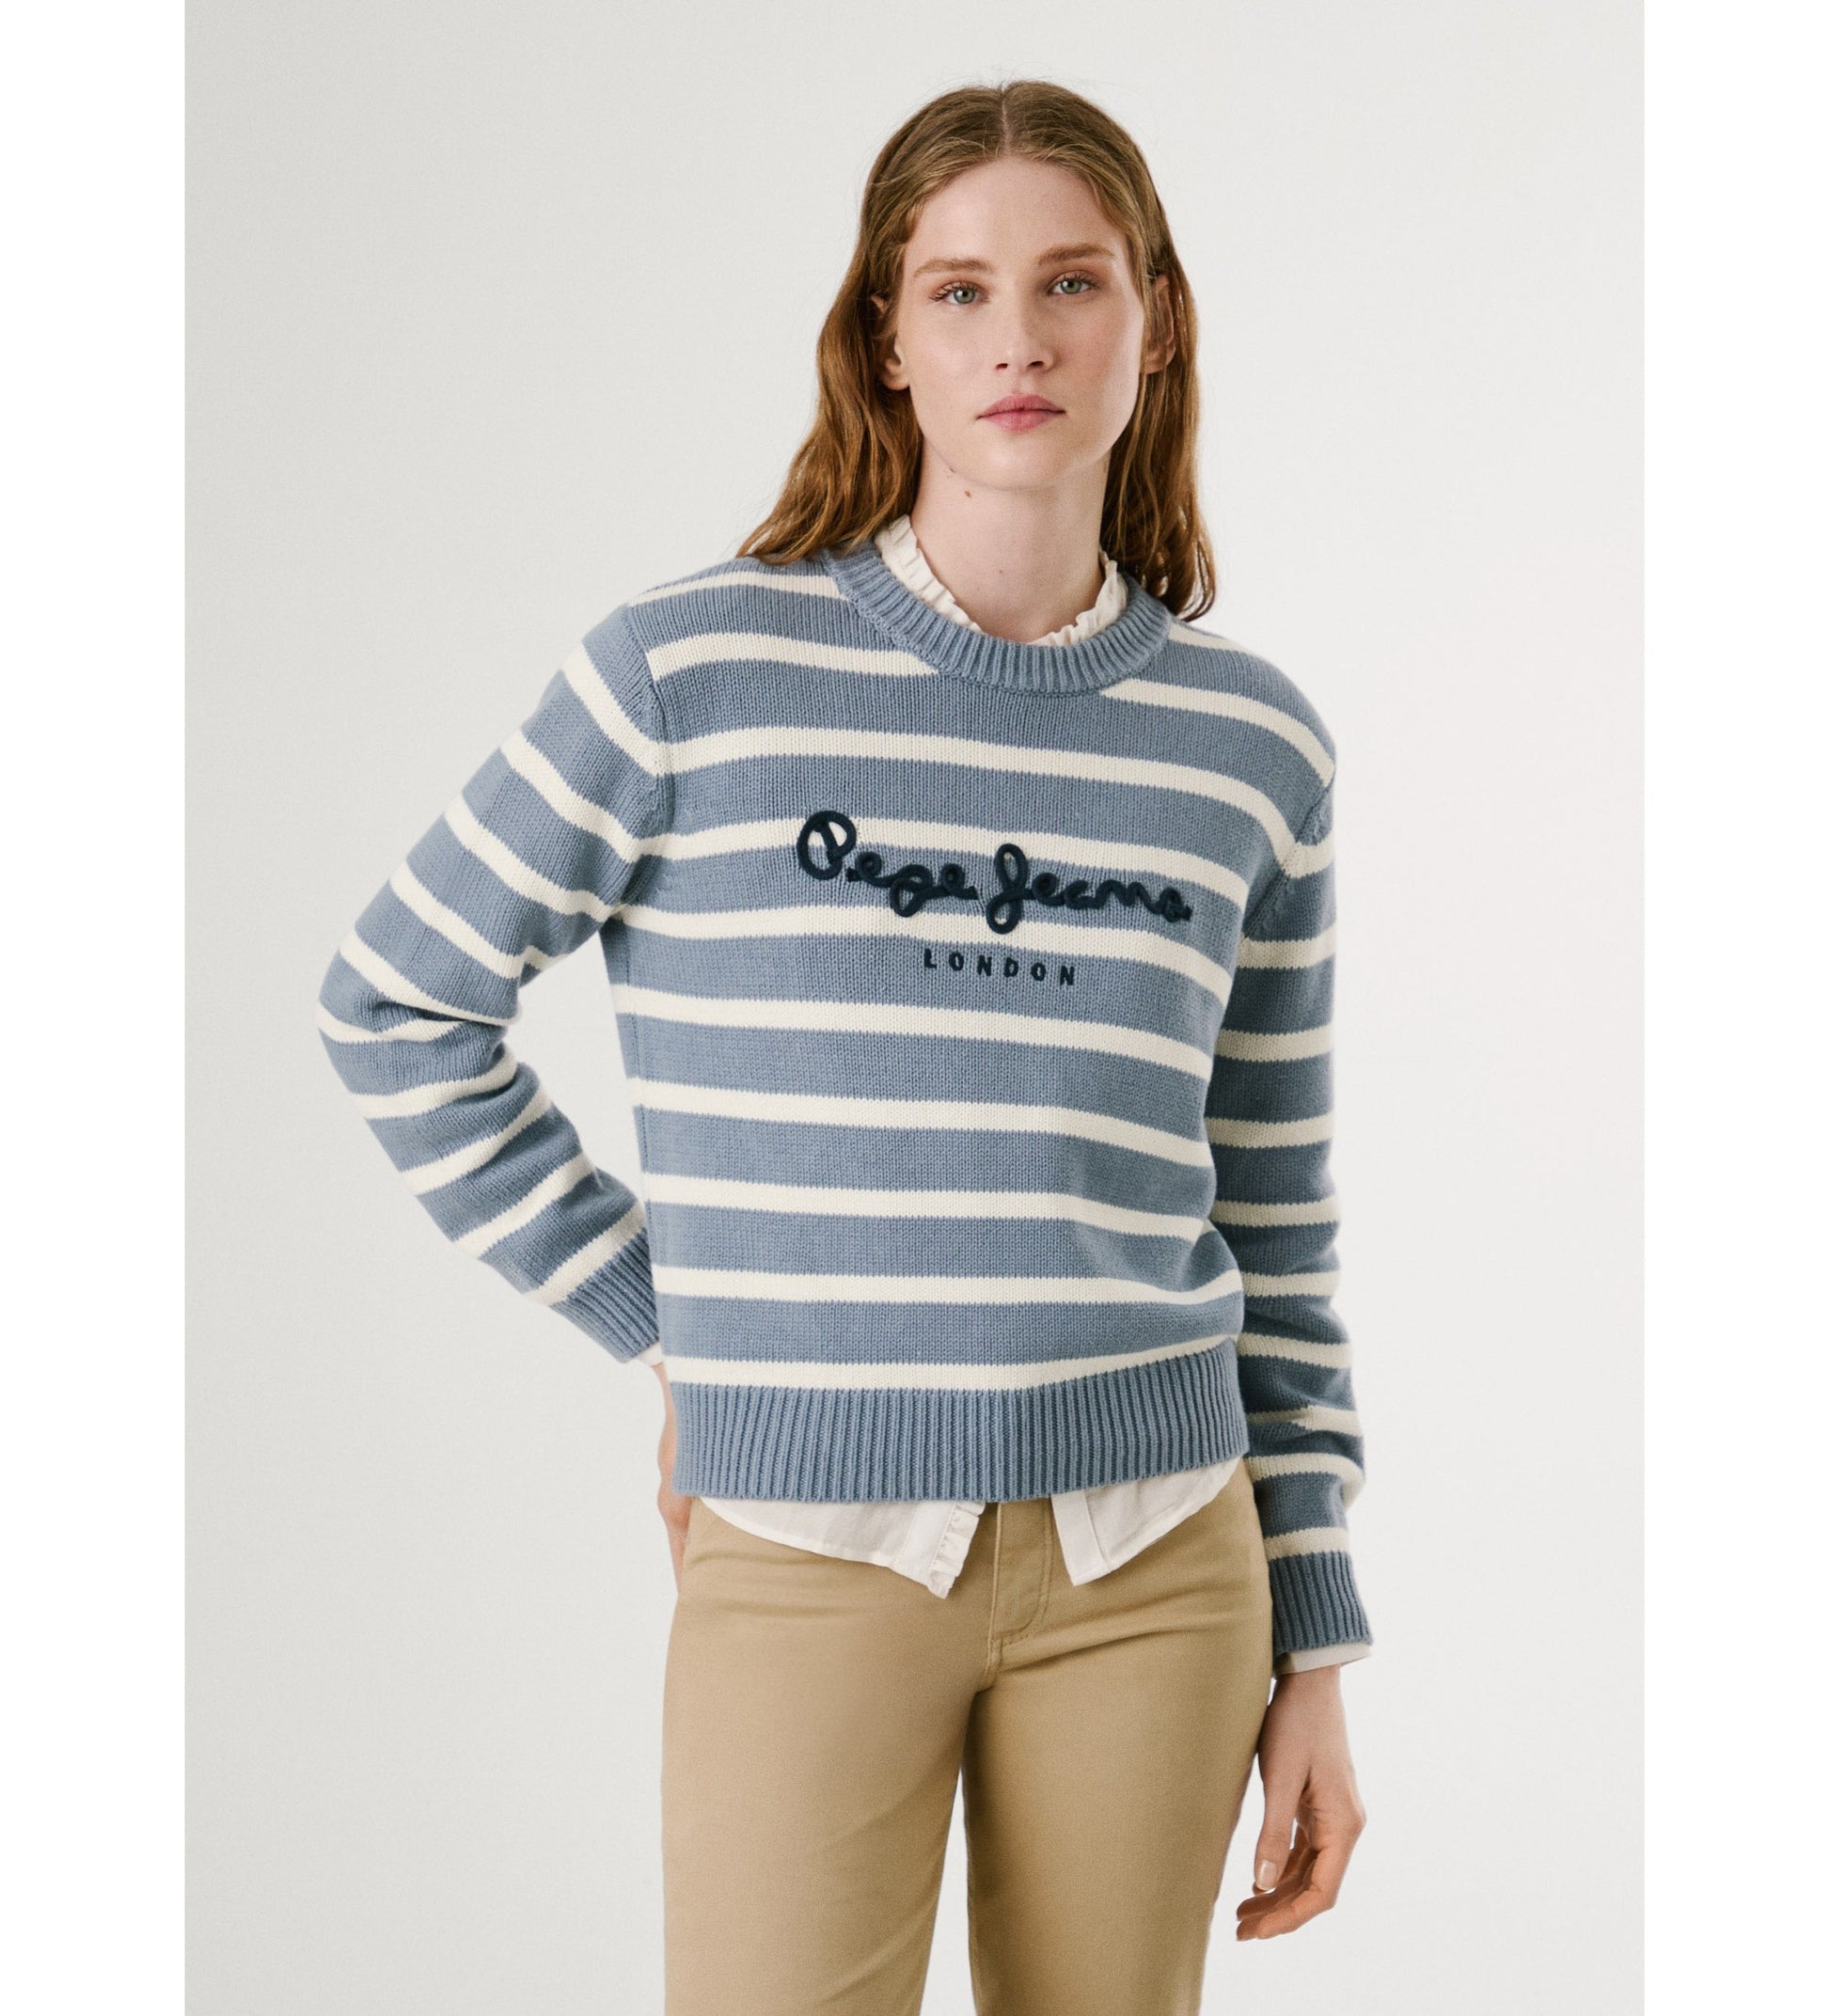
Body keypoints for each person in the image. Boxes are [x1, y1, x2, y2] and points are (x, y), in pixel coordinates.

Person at [318, 76, 1371, 2016]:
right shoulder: (686, 675)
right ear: (886, 338)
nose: (1018, 338)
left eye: (1070, 283)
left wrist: (1313, 1639)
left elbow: (1274, 1218)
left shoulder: (1250, 746)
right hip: (802, 1548)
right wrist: (673, 1317)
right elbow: (395, 1001)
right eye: (957, 290)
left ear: (1153, 320)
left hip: (1163, 1563)